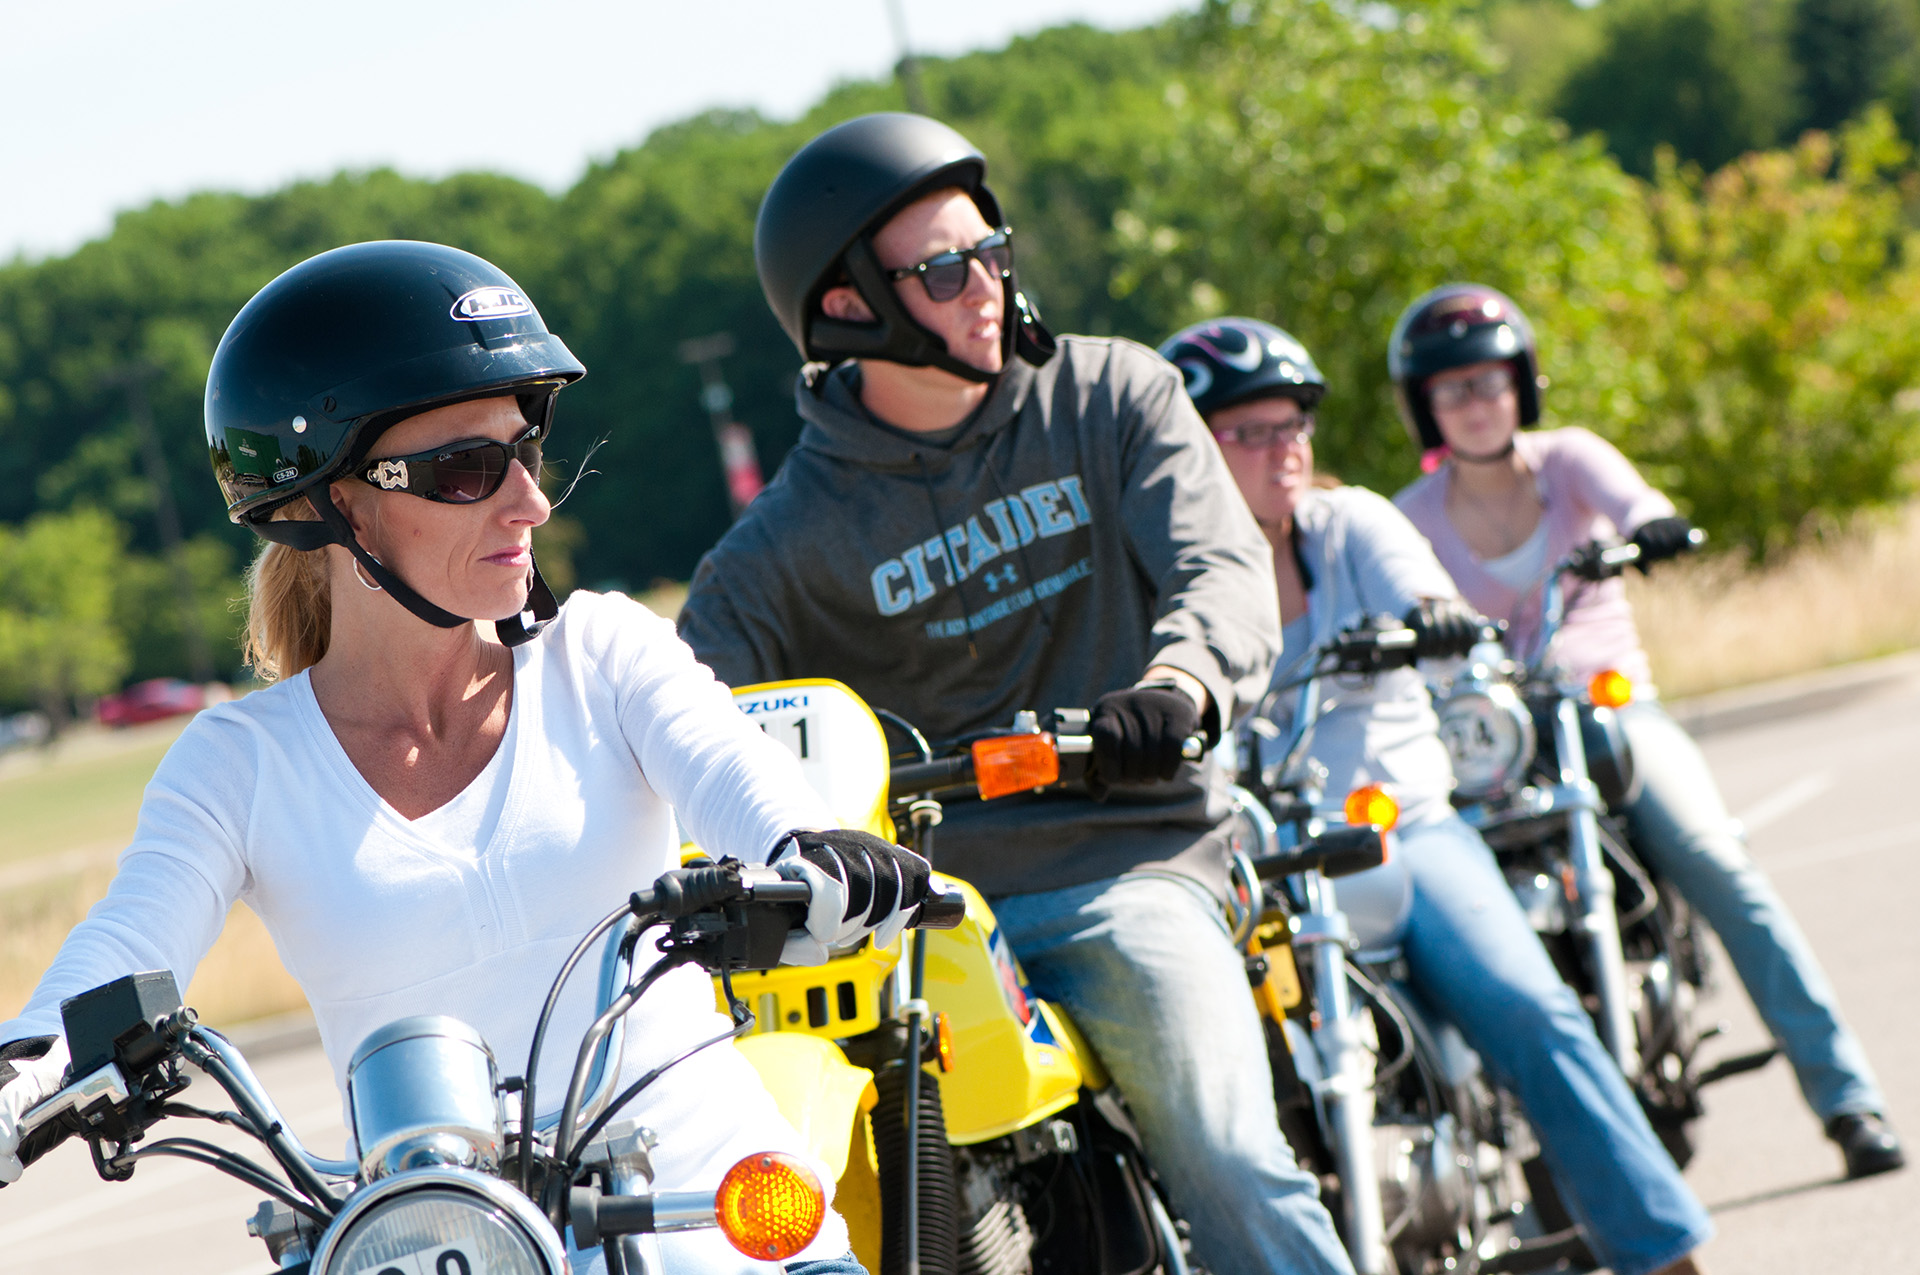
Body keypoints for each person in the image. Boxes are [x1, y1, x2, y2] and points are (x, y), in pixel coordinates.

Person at [0, 241, 935, 1275]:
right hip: (430, 1247)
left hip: (713, 1223)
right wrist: (29, 1060)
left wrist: (812, 850)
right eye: (466, 470)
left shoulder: (603, 653)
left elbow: (734, 775)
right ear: (335, 503)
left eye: (524, 451)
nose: (529, 503)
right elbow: (129, 942)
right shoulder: (240, 763)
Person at [676, 113, 1355, 1275]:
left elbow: (1220, 564)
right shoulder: (778, 551)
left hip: (1121, 863)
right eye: (946, 269)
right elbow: (686, 721)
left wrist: (1181, 686)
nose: (987, 284)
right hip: (908, 916)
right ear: (847, 306)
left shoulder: (1113, 396)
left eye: (992, 252)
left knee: (1230, 1158)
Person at [1161, 316, 1713, 1275]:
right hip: (1266, 862)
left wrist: (1433, 619)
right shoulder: (1166, 581)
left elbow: (1422, 590)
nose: (1281, 448)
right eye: (1247, 432)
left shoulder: (1351, 525)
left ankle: (1663, 1253)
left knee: (1532, 1011)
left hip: (1403, 829)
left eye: (1292, 424)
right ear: (1191, 449)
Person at [1387, 282, 1904, 1182]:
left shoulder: (1568, 460)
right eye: (1452, 388)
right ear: (1424, 406)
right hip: (1492, 743)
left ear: (1522, 384)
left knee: (1716, 858)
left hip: (1608, 715)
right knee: (1444, 921)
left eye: (1489, 381)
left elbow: (1634, 499)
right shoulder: (1409, 519)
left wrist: (1649, 525)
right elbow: (1384, 597)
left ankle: (1847, 1097)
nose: (1475, 402)